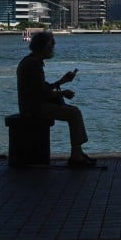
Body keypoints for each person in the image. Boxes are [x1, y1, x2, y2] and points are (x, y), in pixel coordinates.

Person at [17, 30, 96, 168]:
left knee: (73, 111)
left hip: (32, 105)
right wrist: (62, 93)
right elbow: (41, 93)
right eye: (51, 46)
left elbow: (41, 88)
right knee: (74, 113)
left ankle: (78, 151)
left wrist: (62, 81)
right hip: (33, 108)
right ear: (45, 47)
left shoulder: (30, 61)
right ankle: (76, 155)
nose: (52, 49)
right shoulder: (33, 64)